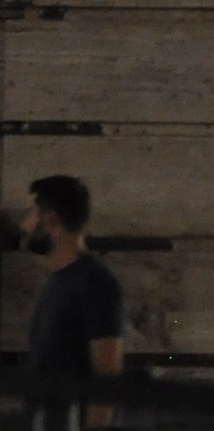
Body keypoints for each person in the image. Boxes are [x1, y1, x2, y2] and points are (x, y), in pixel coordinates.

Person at [20, 175, 125, 427]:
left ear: (51, 220)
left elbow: (106, 374)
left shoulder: (95, 282)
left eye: (31, 215)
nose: (25, 226)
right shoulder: (56, 283)